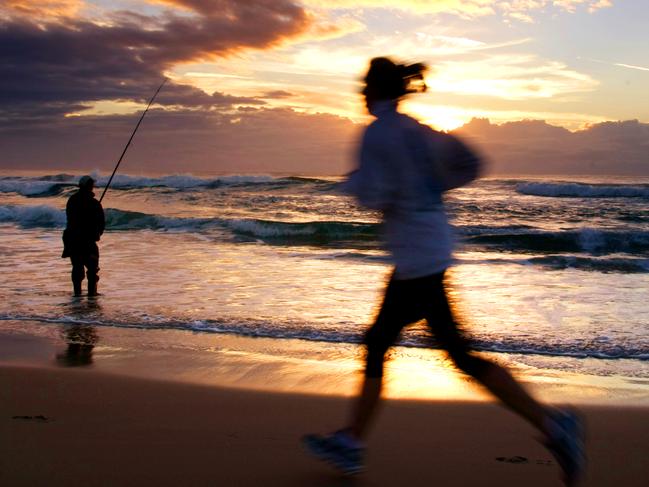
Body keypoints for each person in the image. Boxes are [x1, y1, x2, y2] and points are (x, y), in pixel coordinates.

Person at [303, 57, 585, 486]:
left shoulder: (377, 133)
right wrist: (432, 188)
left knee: (402, 346)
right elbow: (472, 162)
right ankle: (551, 425)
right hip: (430, 250)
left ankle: (553, 424)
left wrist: (355, 183)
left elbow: (373, 194)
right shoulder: (419, 130)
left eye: (364, 87)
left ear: (376, 91)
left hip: (418, 259)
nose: (360, 93)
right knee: (426, 350)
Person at [62, 175, 105, 297]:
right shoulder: (94, 204)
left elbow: (71, 218)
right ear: (89, 187)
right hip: (87, 241)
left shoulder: (72, 200)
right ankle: (92, 294)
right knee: (92, 269)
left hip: (72, 239)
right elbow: (101, 224)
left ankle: (77, 295)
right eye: (91, 185)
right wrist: (96, 233)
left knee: (77, 267)